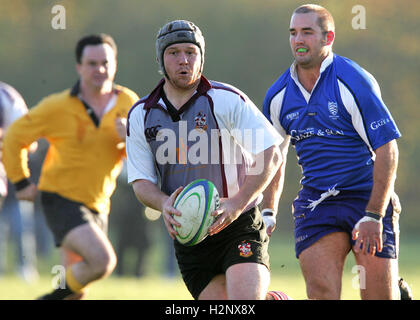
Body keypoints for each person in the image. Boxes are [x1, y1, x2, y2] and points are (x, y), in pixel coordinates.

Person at [126, 20, 290, 300]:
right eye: (174, 52)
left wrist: (238, 203)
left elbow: (270, 152)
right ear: (160, 59)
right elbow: (141, 181)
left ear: (201, 58)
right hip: (188, 233)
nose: (183, 60)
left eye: (191, 52)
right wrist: (165, 204)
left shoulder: (226, 99)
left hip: (238, 224)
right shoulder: (141, 114)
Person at [262, 4, 405, 300]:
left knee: (379, 296)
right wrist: (267, 211)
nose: (298, 40)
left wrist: (374, 215)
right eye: (293, 33)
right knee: (322, 292)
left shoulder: (353, 81)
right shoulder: (277, 95)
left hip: (365, 197)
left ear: (328, 38)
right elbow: (273, 157)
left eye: (307, 32)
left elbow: (387, 148)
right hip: (318, 202)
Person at [3, 34, 139, 299]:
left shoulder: (128, 103)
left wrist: (131, 139)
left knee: (77, 292)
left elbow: (141, 157)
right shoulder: (58, 107)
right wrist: (20, 182)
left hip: (99, 204)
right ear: (79, 67)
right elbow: (14, 138)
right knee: (102, 261)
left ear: (115, 64)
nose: (99, 69)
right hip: (61, 199)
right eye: (91, 63)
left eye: (105, 62)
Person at [0, 82, 39, 282]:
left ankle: (25, 269)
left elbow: (31, 142)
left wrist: (6, 138)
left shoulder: (7, 96)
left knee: (21, 226)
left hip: (13, 175)